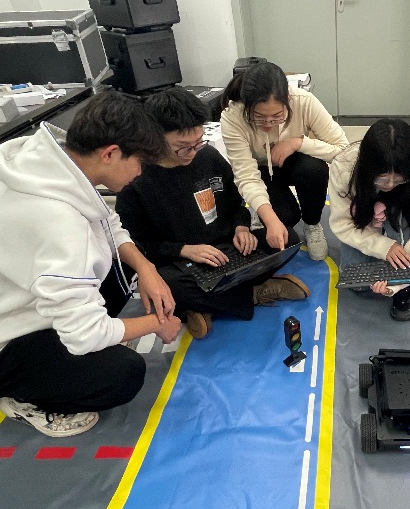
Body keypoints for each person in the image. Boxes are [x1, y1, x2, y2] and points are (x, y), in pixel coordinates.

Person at [0, 90, 182, 437]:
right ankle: (26, 402)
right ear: (110, 153)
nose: (140, 173)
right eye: (139, 162)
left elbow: (107, 223)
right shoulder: (61, 227)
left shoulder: (53, 167)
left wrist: (147, 268)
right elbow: (86, 336)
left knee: (125, 262)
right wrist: (156, 323)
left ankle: (60, 350)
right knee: (122, 375)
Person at [116, 87, 310, 340]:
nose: (193, 152)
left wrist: (241, 227)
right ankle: (254, 293)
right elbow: (137, 244)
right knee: (165, 284)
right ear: (155, 138)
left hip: (228, 248)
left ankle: (203, 306)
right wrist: (184, 250)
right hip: (183, 263)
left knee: (287, 238)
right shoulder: (135, 178)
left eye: (198, 142)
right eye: (182, 147)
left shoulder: (207, 156)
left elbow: (236, 201)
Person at [220, 62, 349, 261]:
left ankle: (312, 224)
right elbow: (246, 176)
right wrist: (271, 220)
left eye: (277, 116)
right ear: (247, 106)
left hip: (294, 163)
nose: (268, 124)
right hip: (261, 171)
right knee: (286, 218)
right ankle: (259, 212)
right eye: (258, 117)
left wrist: (298, 143)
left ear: (288, 102)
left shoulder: (303, 101)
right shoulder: (233, 117)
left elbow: (344, 151)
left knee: (314, 169)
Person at [329, 119, 410, 321]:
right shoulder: (343, 168)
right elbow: (342, 223)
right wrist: (383, 247)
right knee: (359, 284)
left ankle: (408, 285)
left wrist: (399, 281)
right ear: (367, 167)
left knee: (397, 273)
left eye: (399, 178)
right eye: (381, 178)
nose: (389, 184)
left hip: (400, 216)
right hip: (364, 220)